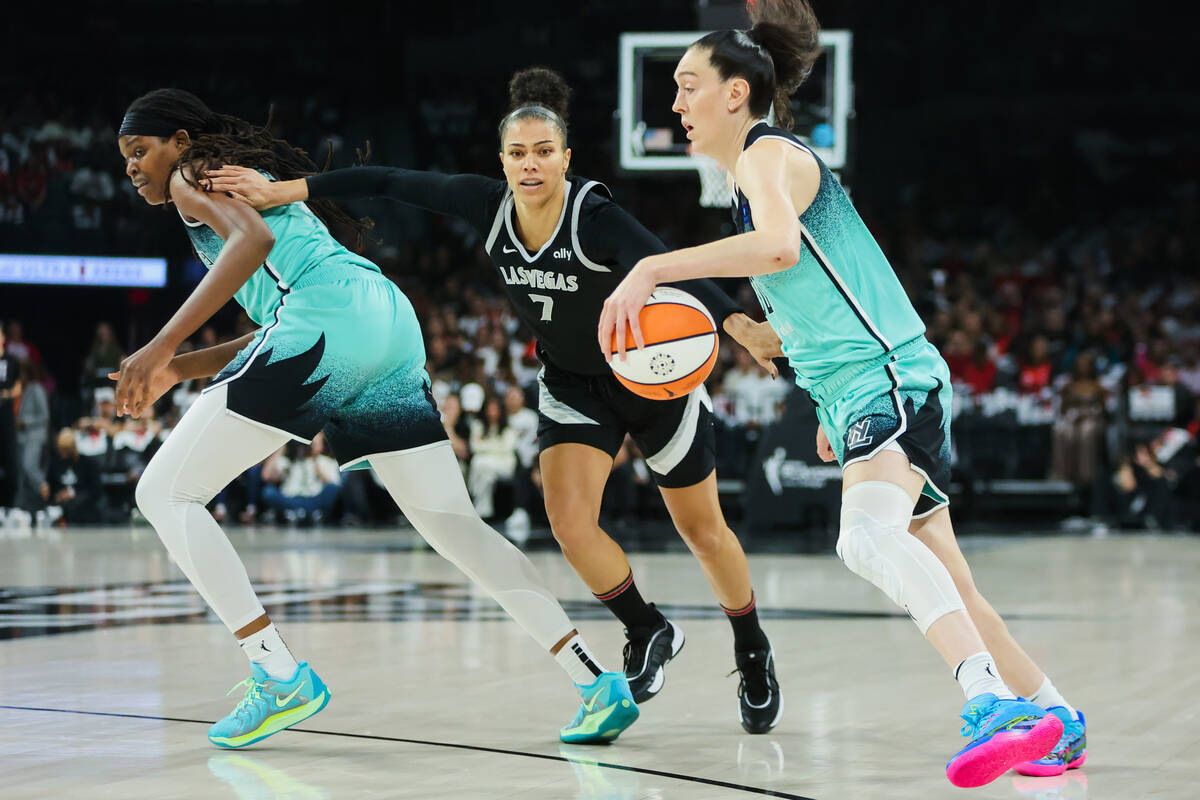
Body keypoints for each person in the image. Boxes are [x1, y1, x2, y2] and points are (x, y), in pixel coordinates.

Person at [208, 67, 787, 733]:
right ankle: (648, 628)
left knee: (702, 532)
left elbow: (664, 258)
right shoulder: (486, 204)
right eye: (518, 153)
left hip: (653, 378)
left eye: (544, 152)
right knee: (570, 524)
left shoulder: (593, 216)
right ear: (502, 160)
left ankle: (752, 649)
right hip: (574, 382)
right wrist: (283, 190)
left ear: (566, 159)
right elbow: (388, 181)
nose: (531, 164)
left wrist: (738, 325)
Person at [596, 1, 1084, 786]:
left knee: (862, 538)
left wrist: (654, 267)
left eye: (688, 86)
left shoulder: (764, 155)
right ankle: (1058, 719)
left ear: (734, 94)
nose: (675, 104)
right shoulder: (750, 176)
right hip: (872, 385)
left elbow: (781, 246)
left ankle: (991, 700)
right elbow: (812, 291)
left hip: (887, 378)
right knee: (951, 584)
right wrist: (824, 402)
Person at [112, 88, 637, 750]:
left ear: (180, 144)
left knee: (162, 492)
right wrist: (179, 368)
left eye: (139, 150)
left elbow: (255, 243)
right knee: (454, 526)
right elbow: (285, 314)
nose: (131, 167)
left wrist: (160, 343)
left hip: (329, 323)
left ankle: (277, 674)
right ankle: (592, 680)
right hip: (381, 319)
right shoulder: (236, 183)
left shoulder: (195, 178)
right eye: (125, 157)